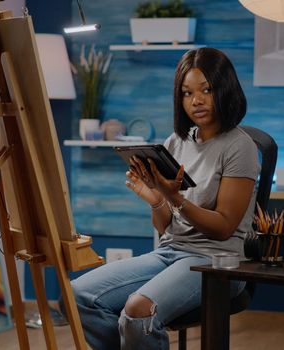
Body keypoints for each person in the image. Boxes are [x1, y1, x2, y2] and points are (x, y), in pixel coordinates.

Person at [69, 47, 259, 350]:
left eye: (206, 90)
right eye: (186, 93)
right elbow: (165, 227)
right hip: (170, 253)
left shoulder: (240, 146)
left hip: (217, 263)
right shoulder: (175, 142)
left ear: (224, 88)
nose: (195, 101)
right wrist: (156, 200)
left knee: (138, 310)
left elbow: (223, 227)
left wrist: (173, 196)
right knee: (77, 296)